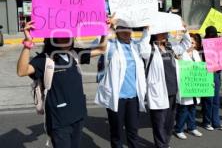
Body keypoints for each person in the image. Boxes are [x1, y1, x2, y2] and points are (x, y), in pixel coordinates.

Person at [17, 20, 109, 148]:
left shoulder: (75, 53)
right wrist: (27, 43)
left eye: (69, 34)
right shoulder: (45, 59)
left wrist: (105, 30)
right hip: (59, 120)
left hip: (78, 115)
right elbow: (22, 71)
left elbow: (102, 49)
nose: (66, 37)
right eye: (61, 35)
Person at [94, 19, 149, 148]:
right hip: (116, 97)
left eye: (128, 29)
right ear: (116, 31)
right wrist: (108, 26)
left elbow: (146, 50)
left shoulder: (136, 45)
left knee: (133, 131)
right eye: (122, 29)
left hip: (133, 97)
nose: (126, 32)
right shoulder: (111, 45)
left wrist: (146, 29)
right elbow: (99, 42)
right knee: (116, 132)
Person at [143, 22, 191, 148]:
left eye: (165, 31)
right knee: (159, 121)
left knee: (170, 121)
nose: (164, 33)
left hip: (173, 90)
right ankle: (160, 145)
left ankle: (166, 143)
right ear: (155, 34)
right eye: (161, 31)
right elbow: (142, 47)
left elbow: (186, 44)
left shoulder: (170, 48)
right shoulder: (150, 50)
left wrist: (185, 31)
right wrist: (146, 31)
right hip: (159, 91)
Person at [174, 33, 202, 140]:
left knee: (193, 107)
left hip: (195, 84)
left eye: (193, 42)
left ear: (195, 44)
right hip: (185, 84)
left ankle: (192, 127)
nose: (190, 44)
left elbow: (200, 67)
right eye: (189, 42)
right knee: (184, 108)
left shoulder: (195, 53)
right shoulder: (180, 53)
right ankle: (179, 129)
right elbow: (178, 68)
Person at [201, 26, 222, 131]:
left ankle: (216, 122)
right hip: (207, 73)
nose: (214, 36)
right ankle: (207, 122)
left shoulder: (218, 43)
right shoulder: (204, 44)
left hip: (216, 73)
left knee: (215, 100)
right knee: (209, 99)